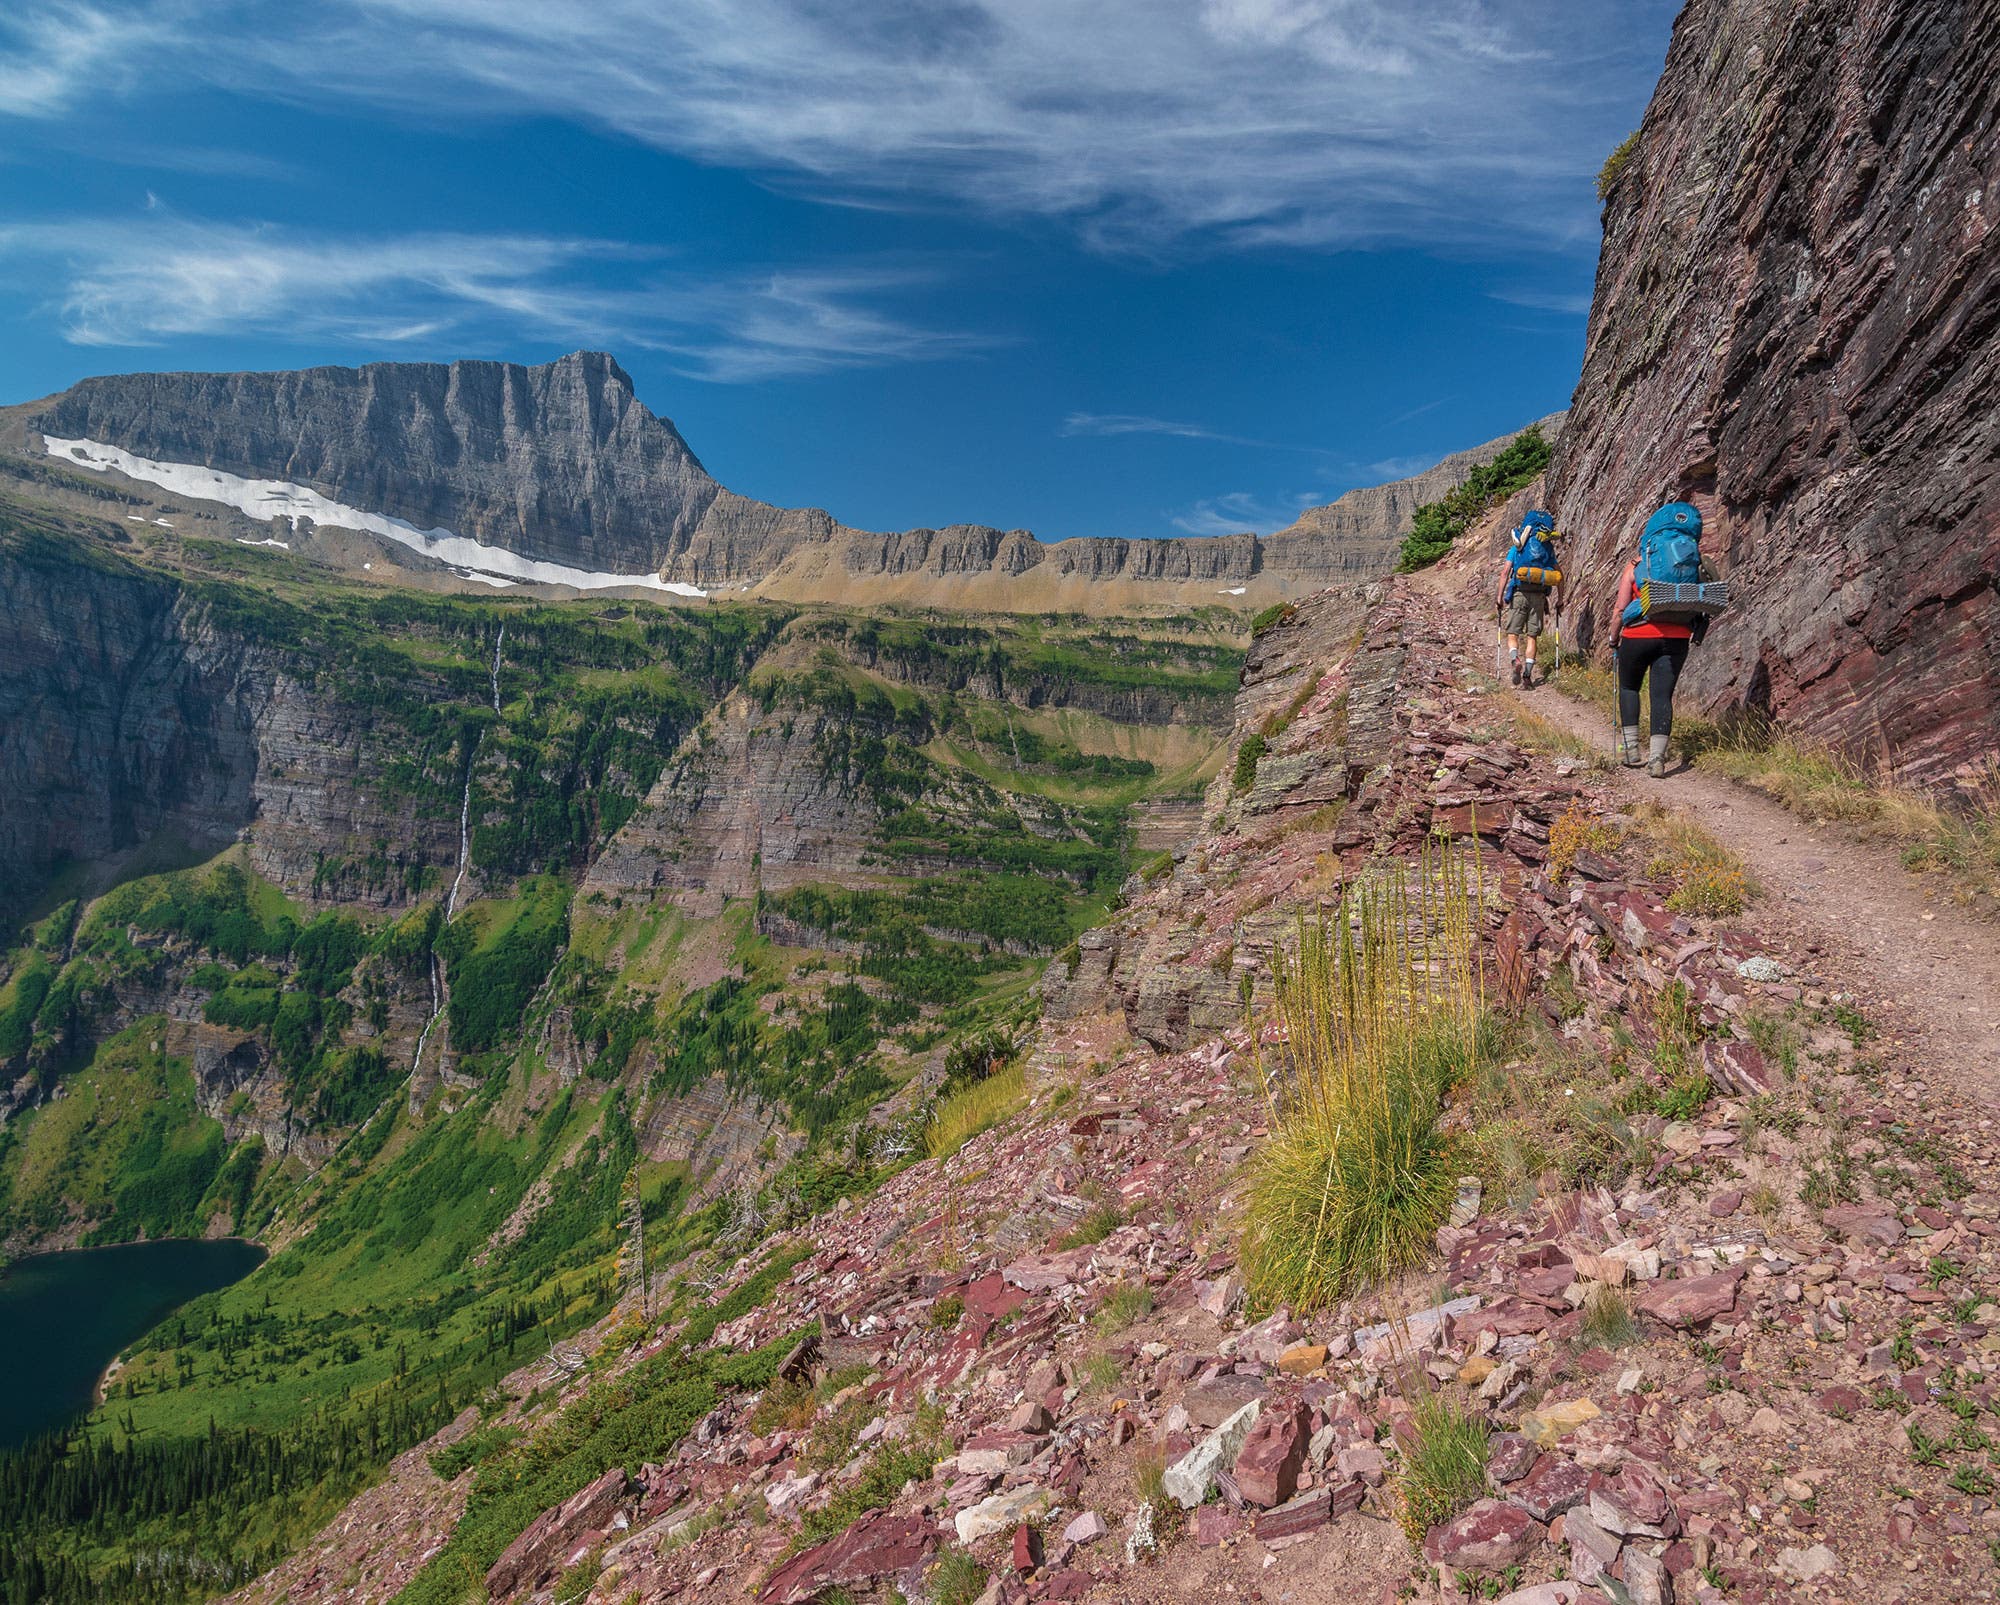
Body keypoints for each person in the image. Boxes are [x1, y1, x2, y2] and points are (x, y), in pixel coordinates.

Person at [1611, 501, 1715, 778]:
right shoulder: (1694, 562)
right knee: (1661, 696)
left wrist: (1613, 638)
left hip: (1637, 635)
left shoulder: (1636, 565)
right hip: (1677, 636)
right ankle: (1657, 759)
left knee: (1630, 688)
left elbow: (1621, 609)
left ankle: (1631, 749)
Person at [1496, 511, 1561, 688]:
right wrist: (1560, 599)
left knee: (1512, 633)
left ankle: (1515, 658)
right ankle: (1527, 675)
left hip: (1519, 593)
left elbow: (1505, 573)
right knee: (1532, 637)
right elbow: (1559, 575)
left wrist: (1499, 597)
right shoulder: (1547, 547)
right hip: (1539, 596)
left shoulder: (1517, 547)